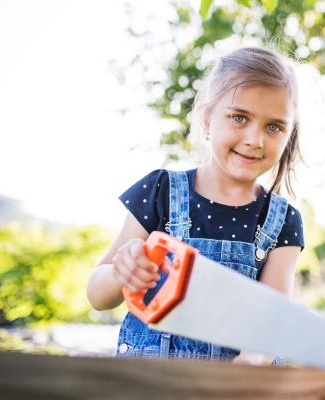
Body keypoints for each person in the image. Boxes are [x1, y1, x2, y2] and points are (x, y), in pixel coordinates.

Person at [86, 46, 305, 366]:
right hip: (152, 385)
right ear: (206, 119)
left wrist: (252, 361)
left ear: (289, 133)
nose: (255, 139)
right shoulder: (161, 191)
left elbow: (272, 318)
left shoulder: (282, 220)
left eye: (274, 126)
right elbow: (97, 295)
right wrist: (123, 272)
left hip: (235, 388)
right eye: (239, 117)